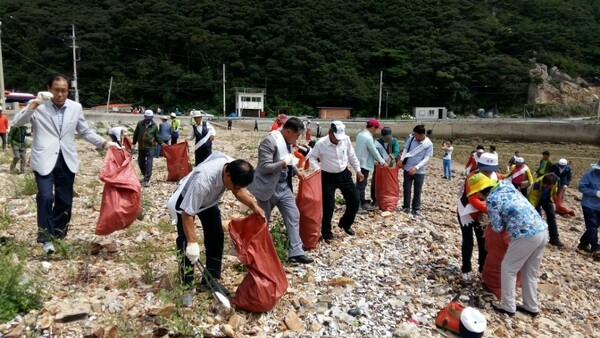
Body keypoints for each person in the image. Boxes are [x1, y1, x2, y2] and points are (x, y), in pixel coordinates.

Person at [12, 74, 120, 254]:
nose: (60, 94)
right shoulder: (39, 106)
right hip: (44, 158)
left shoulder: (75, 107)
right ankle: (45, 237)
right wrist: (34, 103)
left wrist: (105, 143)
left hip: (66, 159)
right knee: (46, 197)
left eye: (64, 90)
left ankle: (57, 236)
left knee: (65, 201)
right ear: (49, 89)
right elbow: (17, 122)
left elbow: (84, 131)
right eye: (56, 90)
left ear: (68, 91)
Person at [166, 152, 265, 307]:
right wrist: (193, 243)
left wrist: (254, 206)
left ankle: (210, 278)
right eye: (235, 185)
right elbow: (188, 214)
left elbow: (238, 190)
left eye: (240, 186)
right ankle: (187, 286)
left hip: (208, 202)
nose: (236, 189)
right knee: (186, 243)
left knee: (216, 235)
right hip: (186, 202)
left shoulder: (234, 168)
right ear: (227, 174)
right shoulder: (203, 180)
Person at [470, 176, 548, 317]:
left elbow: (497, 226)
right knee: (529, 271)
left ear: (481, 191)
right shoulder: (506, 187)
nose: (477, 196)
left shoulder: (492, 200)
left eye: (476, 193)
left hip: (525, 234)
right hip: (541, 229)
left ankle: (508, 306)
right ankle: (531, 306)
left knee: (508, 269)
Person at [248, 117, 313, 264]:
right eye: (296, 135)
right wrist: (283, 163)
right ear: (288, 131)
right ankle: (258, 252)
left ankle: (296, 252)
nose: (297, 139)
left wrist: (296, 171)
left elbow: (289, 158)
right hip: (267, 187)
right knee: (263, 220)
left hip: (284, 187)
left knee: (293, 215)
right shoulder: (269, 142)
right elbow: (264, 167)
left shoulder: (287, 141)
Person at [306, 121, 364, 242]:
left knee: (354, 200)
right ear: (330, 133)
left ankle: (345, 223)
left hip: (344, 174)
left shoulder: (346, 140)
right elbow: (311, 157)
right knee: (329, 206)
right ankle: (327, 233)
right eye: (336, 137)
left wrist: (358, 170)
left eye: (340, 138)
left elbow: (351, 155)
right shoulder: (321, 143)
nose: (338, 140)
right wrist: (317, 169)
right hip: (327, 177)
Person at [457, 152, 502, 281]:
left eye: (490, 171)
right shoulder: (472, 177)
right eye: (484, 170)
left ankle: (482, 270)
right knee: (468, 241)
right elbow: (473, 199)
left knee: (483, 243)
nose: (487, 173)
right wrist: (492, 210)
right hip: (466, 212)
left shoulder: (498, 178)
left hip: (483, 216)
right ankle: (466, 269)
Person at [398, 124, 433, 216]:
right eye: (414, 134)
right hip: (407, 167)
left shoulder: (428, 144)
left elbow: (426, 158)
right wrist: (401, 160)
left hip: (419, 170)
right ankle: (406, 206)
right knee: (407, 188)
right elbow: (405, 149)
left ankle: (416, 208)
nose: (415, 136)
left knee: (417, 190)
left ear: (422, 135)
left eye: (416, 135)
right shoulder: (411, 139)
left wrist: (416, 167)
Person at [355, 118, 386, 211]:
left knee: (361, 184)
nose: (376, 130)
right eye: (376, 128)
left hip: (359, 162)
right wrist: (382, 161)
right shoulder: (368, 137)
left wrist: (373, 160)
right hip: (363, 164)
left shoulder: (360, 135)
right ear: (372, 127)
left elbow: (364, 150)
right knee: (360, 185)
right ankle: (357, 205)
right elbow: (373, 150)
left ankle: (362, 201)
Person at [528, 173, 563, 247]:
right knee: (538, 218)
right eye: (545, 186)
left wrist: (554, 200)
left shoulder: (556, 181)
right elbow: (532, 199)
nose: (546, 188)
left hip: (547, 199)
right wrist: (532, 210)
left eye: (548, 187)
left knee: (551, 216)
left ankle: (554, 238)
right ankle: (536, 238)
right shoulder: (537, 184)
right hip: (536, 199)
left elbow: (556, 190)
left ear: (552, 184)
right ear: (543, 183)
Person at [132, 110, 162, 187]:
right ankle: (146, 174)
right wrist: (134, 143)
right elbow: (136, 133)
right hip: (141, 147)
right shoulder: (140, 123)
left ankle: (146, 180)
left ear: (152, 117)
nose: (148, 119)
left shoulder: (154, 125)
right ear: (145, 117)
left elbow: (157, 136)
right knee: (140, 162)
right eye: (147, 117)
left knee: (149, 163)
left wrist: (161, 143)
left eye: (150, 118)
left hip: (150, 147)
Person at [577, 161, 600, 259]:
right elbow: (581, 187)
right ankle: (596, 248)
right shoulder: (588, 175)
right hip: (589, 205)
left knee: (595, 225)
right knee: (592, 225)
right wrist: (595, 192)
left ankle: (583, 243)